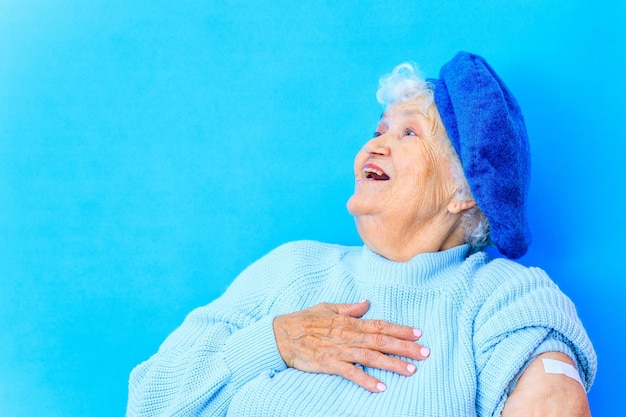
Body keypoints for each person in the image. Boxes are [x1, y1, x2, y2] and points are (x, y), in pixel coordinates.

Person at [127, 52, 596, 416]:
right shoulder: (292, 268)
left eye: (409, 134)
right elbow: (149, 401)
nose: (375, 144)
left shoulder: (503, 298)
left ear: (465, 191)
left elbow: (553, 402)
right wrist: (272, 342)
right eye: (380, 130)